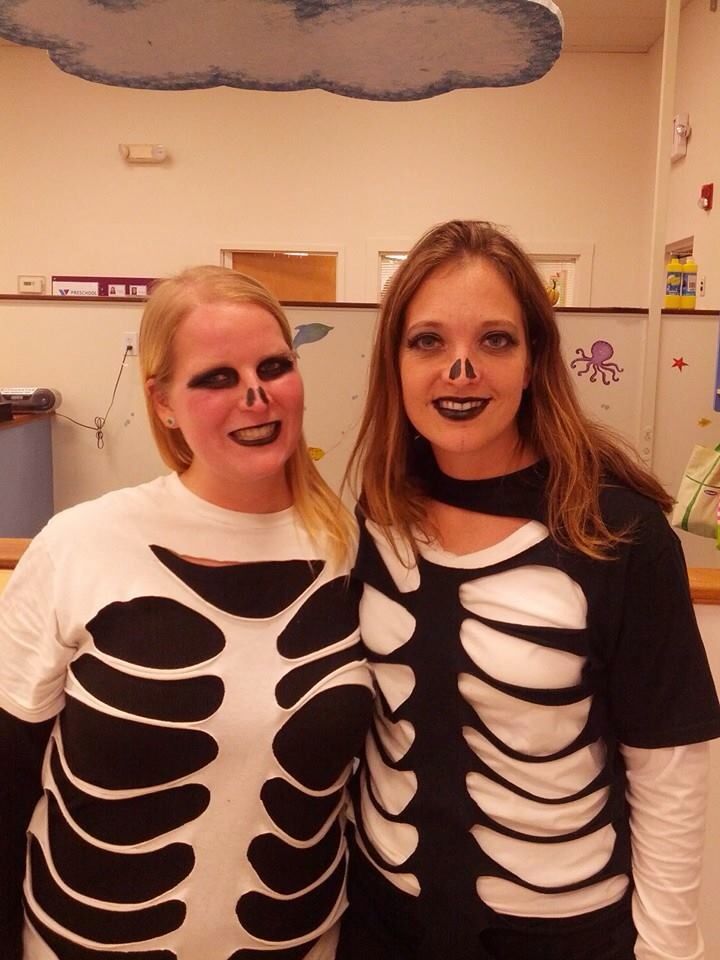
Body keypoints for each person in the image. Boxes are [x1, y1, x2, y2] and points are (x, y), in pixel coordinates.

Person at [337, 220, 720, 960]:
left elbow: (670, 769)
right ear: (394, 362)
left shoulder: (618, 534)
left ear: (534, 360)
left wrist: (671, 950)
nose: (460, 369)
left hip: (561, 936)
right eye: (428, 342)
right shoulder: (378, 514)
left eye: (495, 340)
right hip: (384, 923)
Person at [0, 265, 374, 959]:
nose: (256, 396)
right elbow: (5, 772)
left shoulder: (357, 553)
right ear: (163, 401)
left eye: (274, 366)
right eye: (216, 378)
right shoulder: (82, 546)